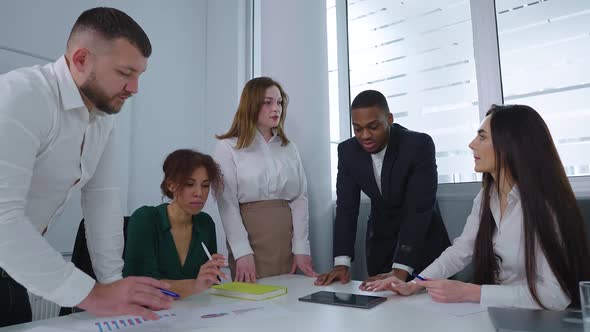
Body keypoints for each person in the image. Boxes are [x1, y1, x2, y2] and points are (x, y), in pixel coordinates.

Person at [0, 7, 172, 326]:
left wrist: (113, 284)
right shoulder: (20, 95)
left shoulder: (102, 120)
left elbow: (102, 201)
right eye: (124, 73)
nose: (134, 88)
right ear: (81, 60)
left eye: (138, 75)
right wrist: (94, 295)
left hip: (13, 268)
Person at [365, 105, 590, 310]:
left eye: (482, 137)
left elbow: (556, 296)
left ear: (510, 145)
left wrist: (473, 292)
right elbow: (462, 250)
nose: (471, 144)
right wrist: (415, 283)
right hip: (501, 314)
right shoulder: (486, 196)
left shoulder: (545, 206)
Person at [315, 90, 450, 289]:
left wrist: (400, 269)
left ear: (389, 119)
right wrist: (341, 264)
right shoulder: (347, 152)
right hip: (381, 243)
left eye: (373, 127)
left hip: (422, 243)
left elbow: (419, 209)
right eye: (357, 129)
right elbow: (346, 208)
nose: (365, 136)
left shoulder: (418, 145)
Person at [214, 77, 316, 283]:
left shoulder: (289, 148)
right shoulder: (228, 147)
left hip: (285, 239)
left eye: (279, 102)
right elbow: (227, 204)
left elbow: (299, 199)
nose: (276, 108)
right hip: (250, 239)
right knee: (255, 304)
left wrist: (301, 247)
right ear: (251, 105)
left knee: (291, 299)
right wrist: (242, 251)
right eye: (268, 102)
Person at [123, 149, 227, 298]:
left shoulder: (206, 223)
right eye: (190, 184)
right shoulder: (145, 219)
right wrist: (195, 285)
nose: (199, 193)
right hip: (148, 313)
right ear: (171, 185)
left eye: (205, 185)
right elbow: (140, 286)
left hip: (193, 311)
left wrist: (210, 278)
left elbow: (208, 284)